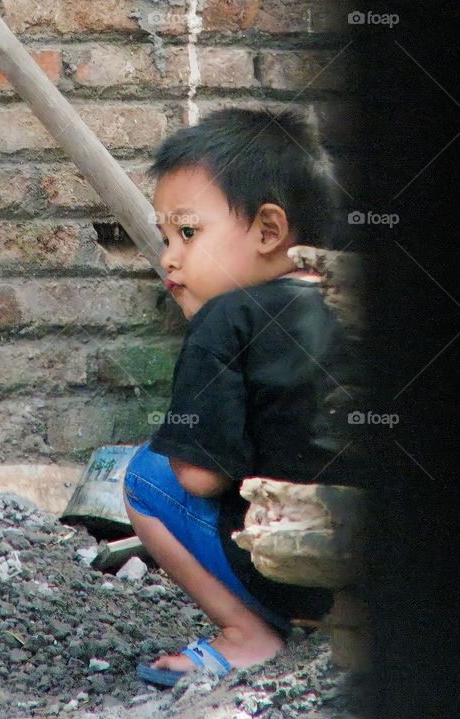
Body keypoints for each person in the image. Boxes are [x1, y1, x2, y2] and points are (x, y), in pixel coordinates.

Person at [123, 106, 364, 687]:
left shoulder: (228, 320)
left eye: (187, 232)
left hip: (286, 571)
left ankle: (247, 635)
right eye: (165, 238)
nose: (169, 258)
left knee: (144, 475)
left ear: (268, 231)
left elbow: (201, 480)